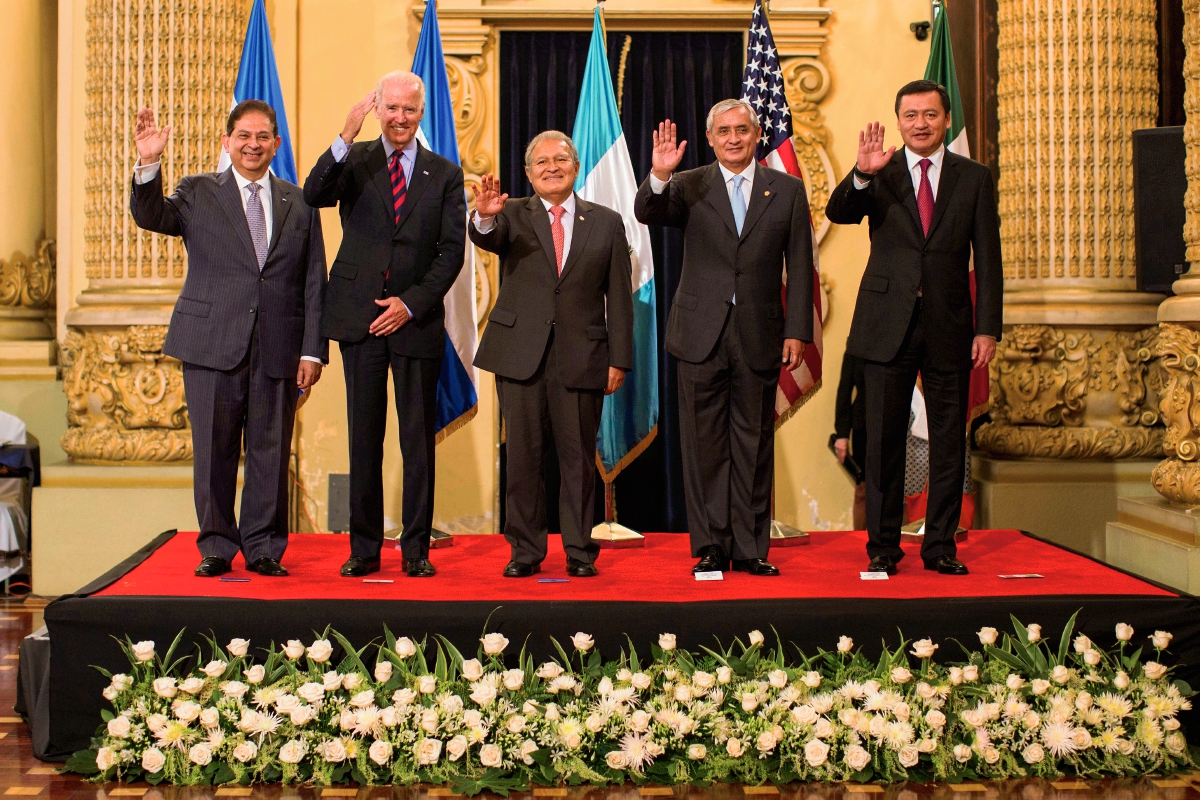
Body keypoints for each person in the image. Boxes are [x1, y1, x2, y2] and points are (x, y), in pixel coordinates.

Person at [130, 100, 327, 578]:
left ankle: (263, 549)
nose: (253, 145)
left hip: (278, 348)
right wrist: (148, 163)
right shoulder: (198, 191)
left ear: (276, 144)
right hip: (211, 343)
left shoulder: (299, 201)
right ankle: (217, 545)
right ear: (228, 141)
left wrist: (312, 350)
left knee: (270, 451)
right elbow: (151, 215)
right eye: (243, 136)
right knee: (214, 450)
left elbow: (313, 280)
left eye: (262, 137)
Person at [825, 79, 1002, 576]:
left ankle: (940, 546)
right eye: (910, 115)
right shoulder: (880, 170)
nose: (920, 123)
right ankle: (882, 547)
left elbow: (988, 258)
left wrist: (987, 328)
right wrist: (861, 173)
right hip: (886, 324)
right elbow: (838, 212)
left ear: (946, 120)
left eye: (929, 115)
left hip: (950, 325)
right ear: (898, 121)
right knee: (880, 441)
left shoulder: (973, 177)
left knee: (949, 439)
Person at [634, 99, 814, 576]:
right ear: (710, 139)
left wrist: (798, 330)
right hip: (699, 334)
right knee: (704, 445)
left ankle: (751, 548)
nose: (733, 138)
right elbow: (647, 210)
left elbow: (800, 266)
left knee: (753, 444)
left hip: (760, 334)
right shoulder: (688, 184)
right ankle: (712, 546)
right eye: (723, 131)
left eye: (742, 130)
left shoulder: (788, 190)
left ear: (757, 136)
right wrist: (658, 174)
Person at [303, 71, 466, 578]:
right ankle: (364, 549)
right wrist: (344, 135)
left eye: (409, 110)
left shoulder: (444, 173)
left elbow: (450, 253)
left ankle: (415, 548)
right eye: (391, 108)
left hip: (414, 322)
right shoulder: (355, 159)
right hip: (360, 319)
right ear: (377, 108)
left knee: (417, 439)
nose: (399, 118)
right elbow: (313, 194)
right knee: (364, 438)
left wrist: (411, 304)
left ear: (421, 113)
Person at [470, 131, 633, 578]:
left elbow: (618, 296)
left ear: (576, 167)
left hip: (582, 359)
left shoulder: (606, 221)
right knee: (523, 459)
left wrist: (619, 359)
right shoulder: (511, 213)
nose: (551, 167)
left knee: (578, 460)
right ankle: (525, 551)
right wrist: (483, 219)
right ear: (528, 173)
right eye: (540, 162)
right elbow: (489, 235)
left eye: (560, 159)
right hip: (520, 356)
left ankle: (580, 552)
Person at [833, 347, 867, 531]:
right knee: (863, 490)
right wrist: (842, 435)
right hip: (863, 426)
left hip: (897, 423)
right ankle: (861, 540)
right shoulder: (856, 345)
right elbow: (844, 391)